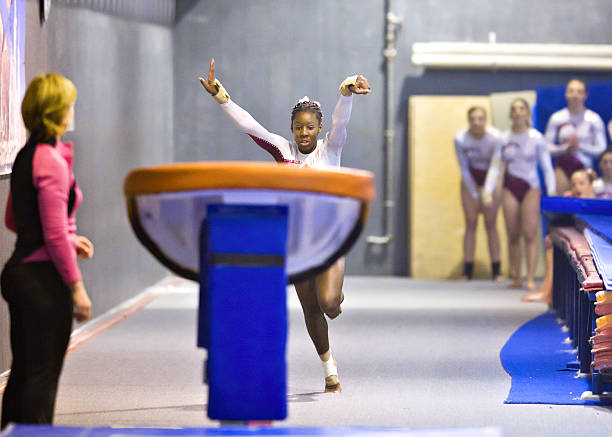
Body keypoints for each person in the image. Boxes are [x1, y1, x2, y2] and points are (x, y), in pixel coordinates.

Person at [198, 58, 370, 393]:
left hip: (331, 238)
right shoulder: (283, 152)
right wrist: (222, 97)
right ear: (292, 129)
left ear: (319, 129)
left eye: (310, 127)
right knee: (310, 307)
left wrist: (346, 90)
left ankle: (335, 297)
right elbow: (251, 128)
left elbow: (341, 120)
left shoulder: (330, 151)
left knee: (329, 305)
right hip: (298, 243)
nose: (304, 133)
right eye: (298, 127)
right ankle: (329, 370)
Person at [1, 73, 93, 429]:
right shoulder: (52, 161)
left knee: (23, 373)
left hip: (19, 272)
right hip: (42, 282)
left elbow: (15, 220)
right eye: (69, 104)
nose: (72, 110)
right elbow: (54, 234)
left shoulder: (27, 156)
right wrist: (77, 289)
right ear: (58, 111)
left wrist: (67, 240)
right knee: (42, 377)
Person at [485, 99, 556, 291]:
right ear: (510, 115)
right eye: (513, 109)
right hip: (510, 187)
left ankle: (531, 277)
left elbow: (547, 167)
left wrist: (551, 192)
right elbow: (495, 166)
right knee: (513, 234)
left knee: (530, 234)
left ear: (527, 114)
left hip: (530, 187)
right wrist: (487, 190)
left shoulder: (536, 137)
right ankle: (517, 276)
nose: (517, 112)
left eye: (521, 108)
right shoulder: (503, 138)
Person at [522, 168, 596, 303]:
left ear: (591, 185)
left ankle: (547, 291)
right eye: (573, 184)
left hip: (596, 241)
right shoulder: (573, 201)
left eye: (581, 183)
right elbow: (556, 221)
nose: (577, 187)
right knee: (551, 240)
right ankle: (546, 290)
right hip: (581, 236)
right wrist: (566, 202)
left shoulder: (599, 202)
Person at [454, 106, 504, 281]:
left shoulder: (495, 137)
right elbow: (464, 169)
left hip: (491, 177)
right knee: (470, 223)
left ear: (485, 120)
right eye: (473, 119)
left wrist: (487, 192)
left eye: (480, 119)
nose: (477, 122)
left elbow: (495, 166)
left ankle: (496, 270)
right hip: (471, 179)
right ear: (469, 121)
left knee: (491, 224)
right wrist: (475, 193)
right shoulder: (460, 138)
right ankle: (467, 270)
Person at [544, 78, 606, 195]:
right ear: (566, 94)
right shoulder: (557, 118)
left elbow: (601, 149)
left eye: (579, 91)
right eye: (571, 91)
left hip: (585, 167)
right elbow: (546, 147)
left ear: (585, 95)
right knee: (562, 203)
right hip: (563, 167)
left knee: (583, 205)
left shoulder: (594, 119)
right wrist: (564, 148)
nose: (575, 95)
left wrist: (580, 146)